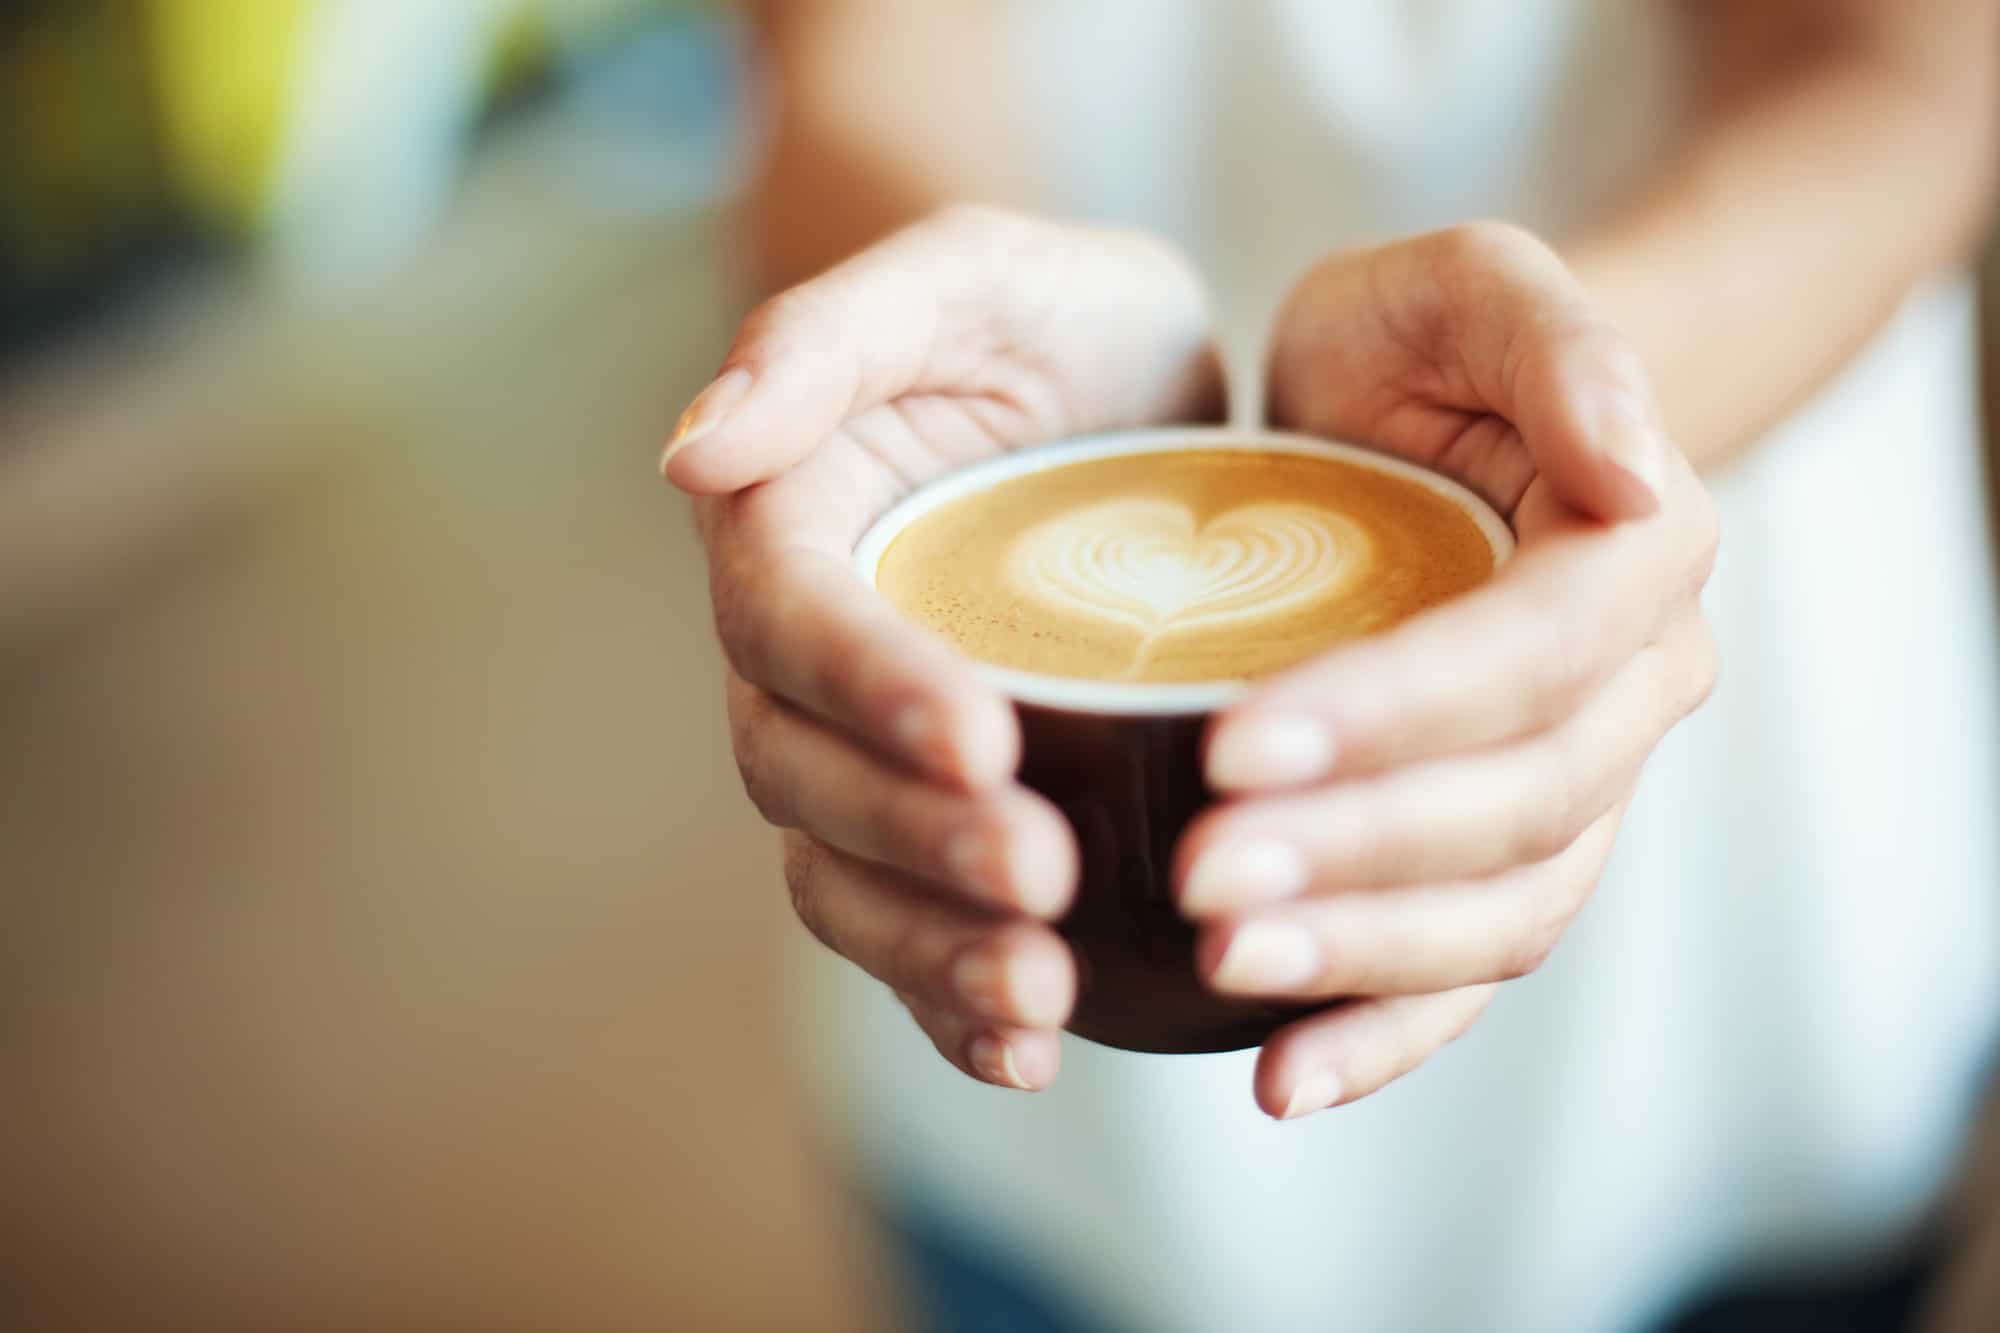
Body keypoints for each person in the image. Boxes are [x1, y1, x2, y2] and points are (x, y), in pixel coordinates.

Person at [663, 3, 2000, 1330]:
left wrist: (1592, 403)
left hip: (1747, 918)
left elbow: (1910, 74)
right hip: (1023, 922)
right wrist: (911, 312)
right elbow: (851, 56)